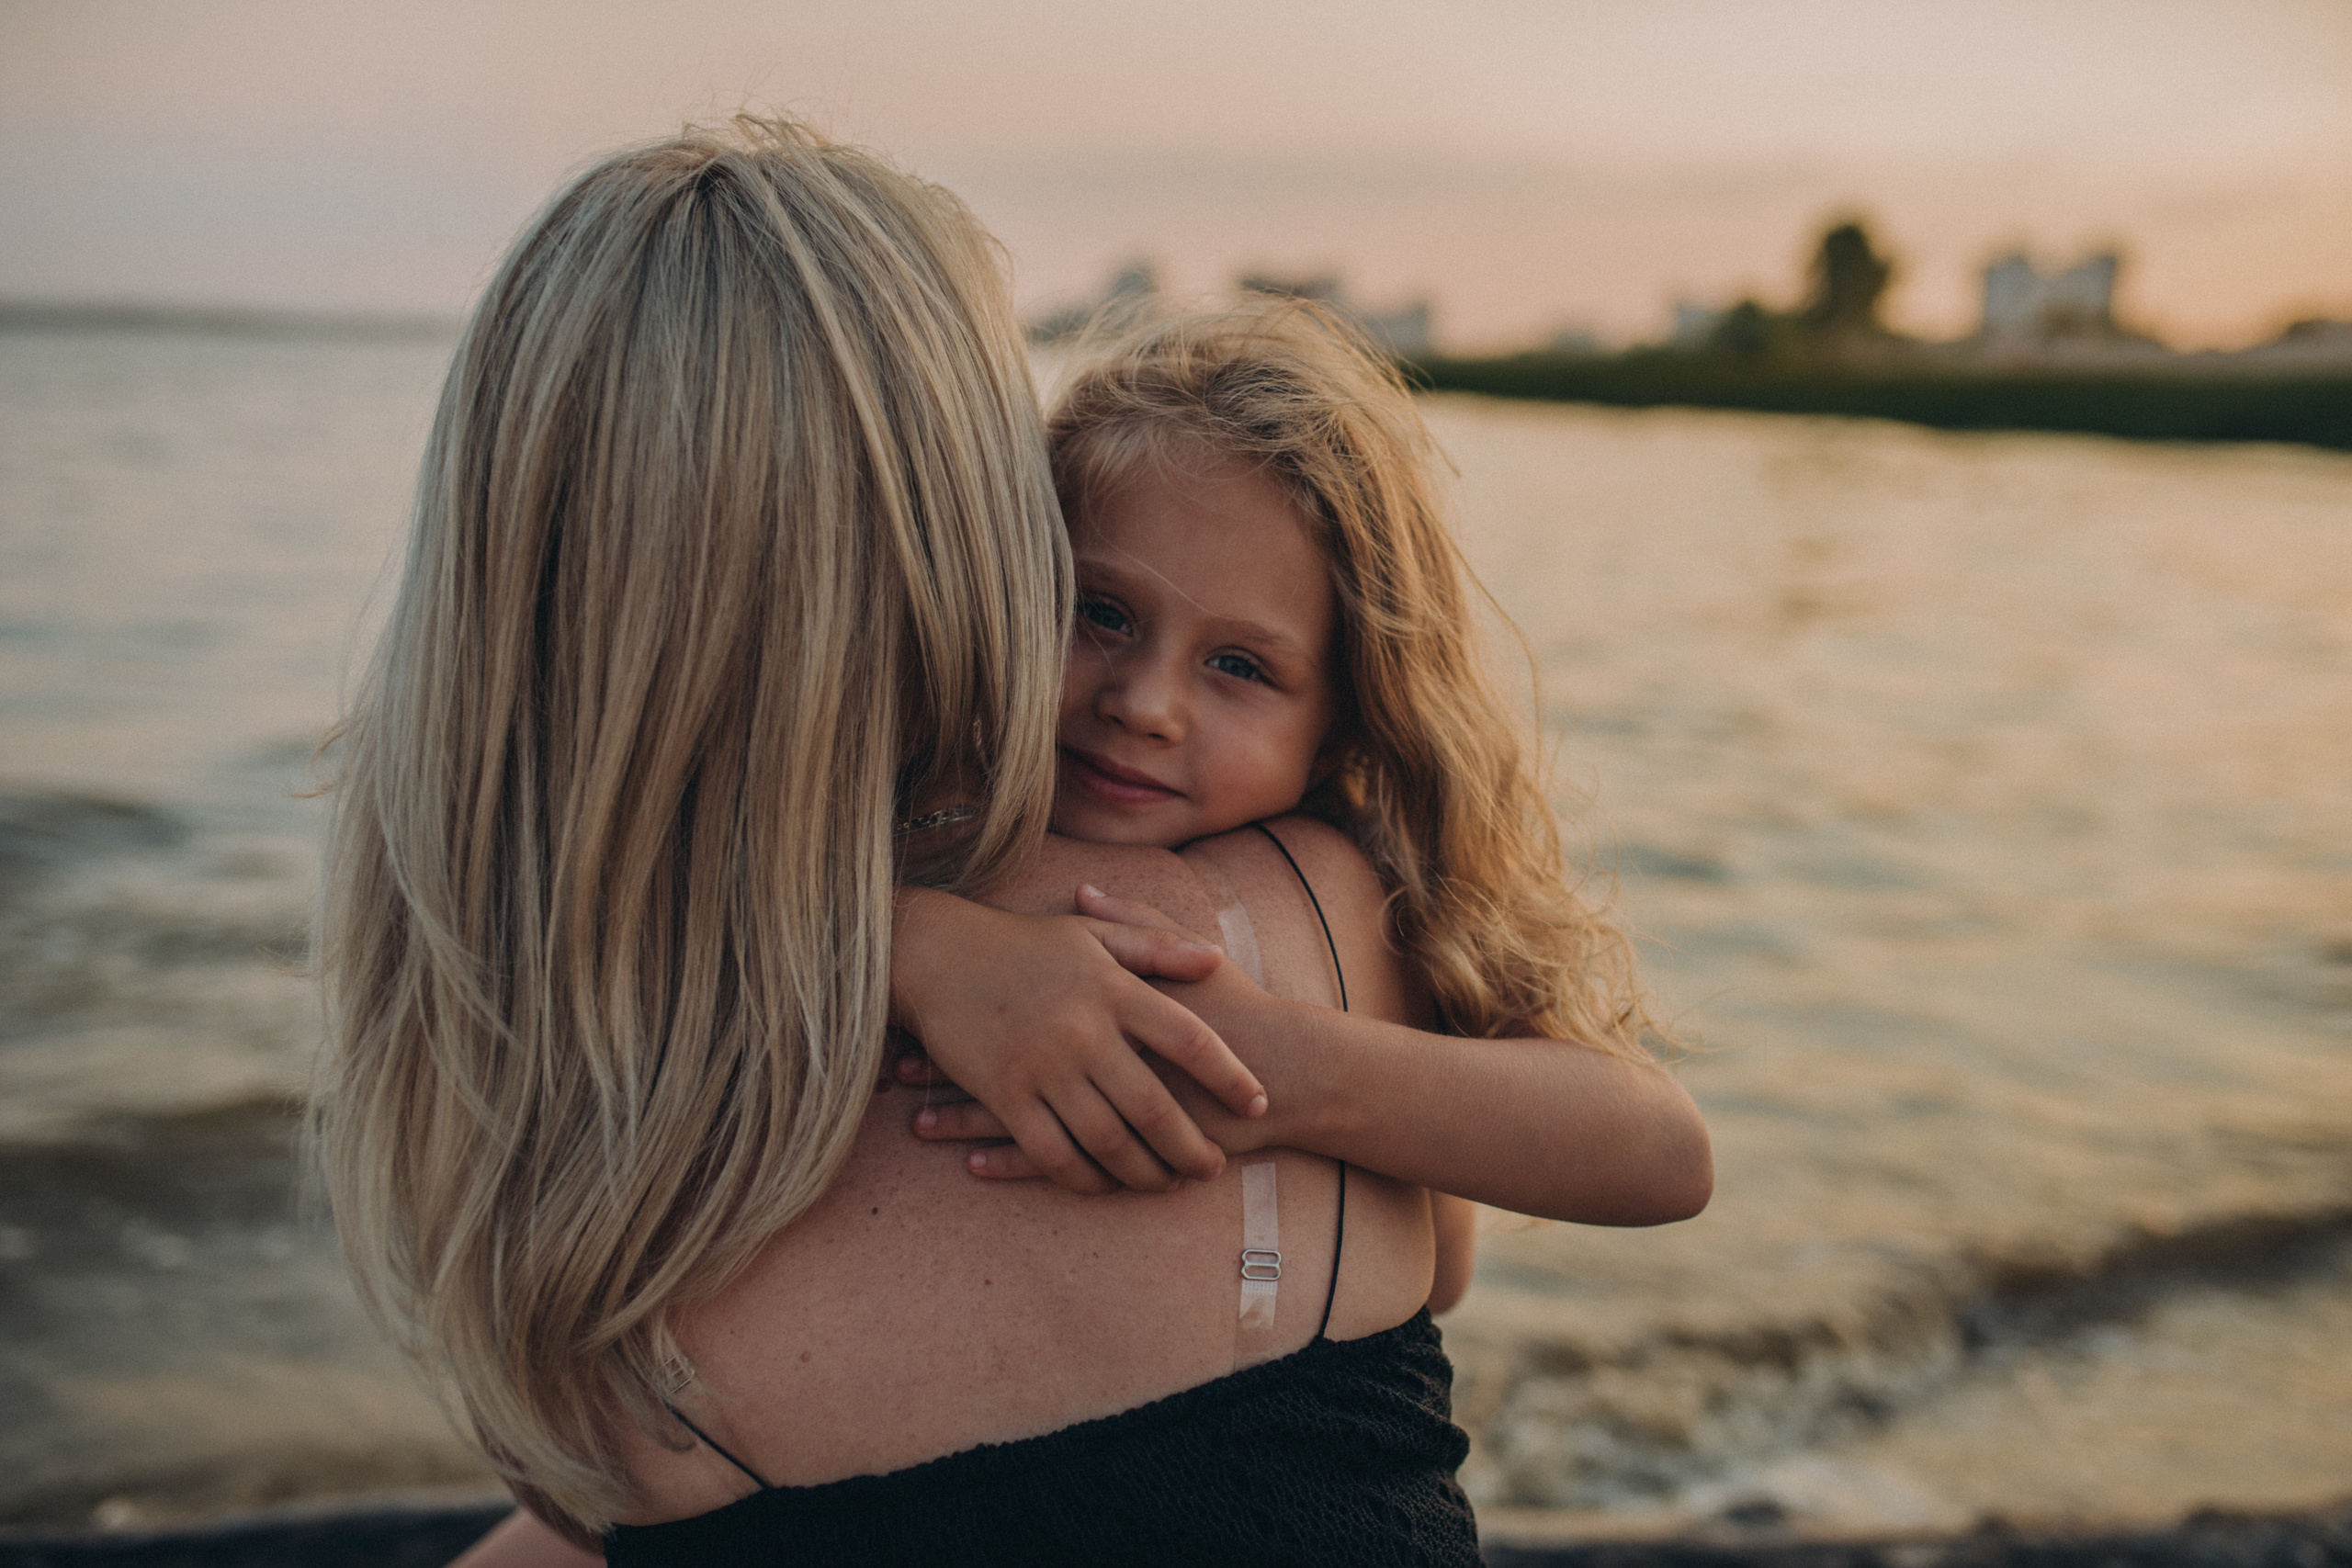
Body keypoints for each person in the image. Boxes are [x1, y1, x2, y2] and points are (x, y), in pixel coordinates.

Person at [320, 119, 1704, 1568]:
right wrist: (915, 945)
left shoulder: (507, 1052)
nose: (1145, 706)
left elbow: (1624, 1165)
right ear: (992, 545)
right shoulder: (1239, 910)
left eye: (1243, 668)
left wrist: (1271, 1070)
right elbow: (1430, 1267)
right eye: (1097, 613)